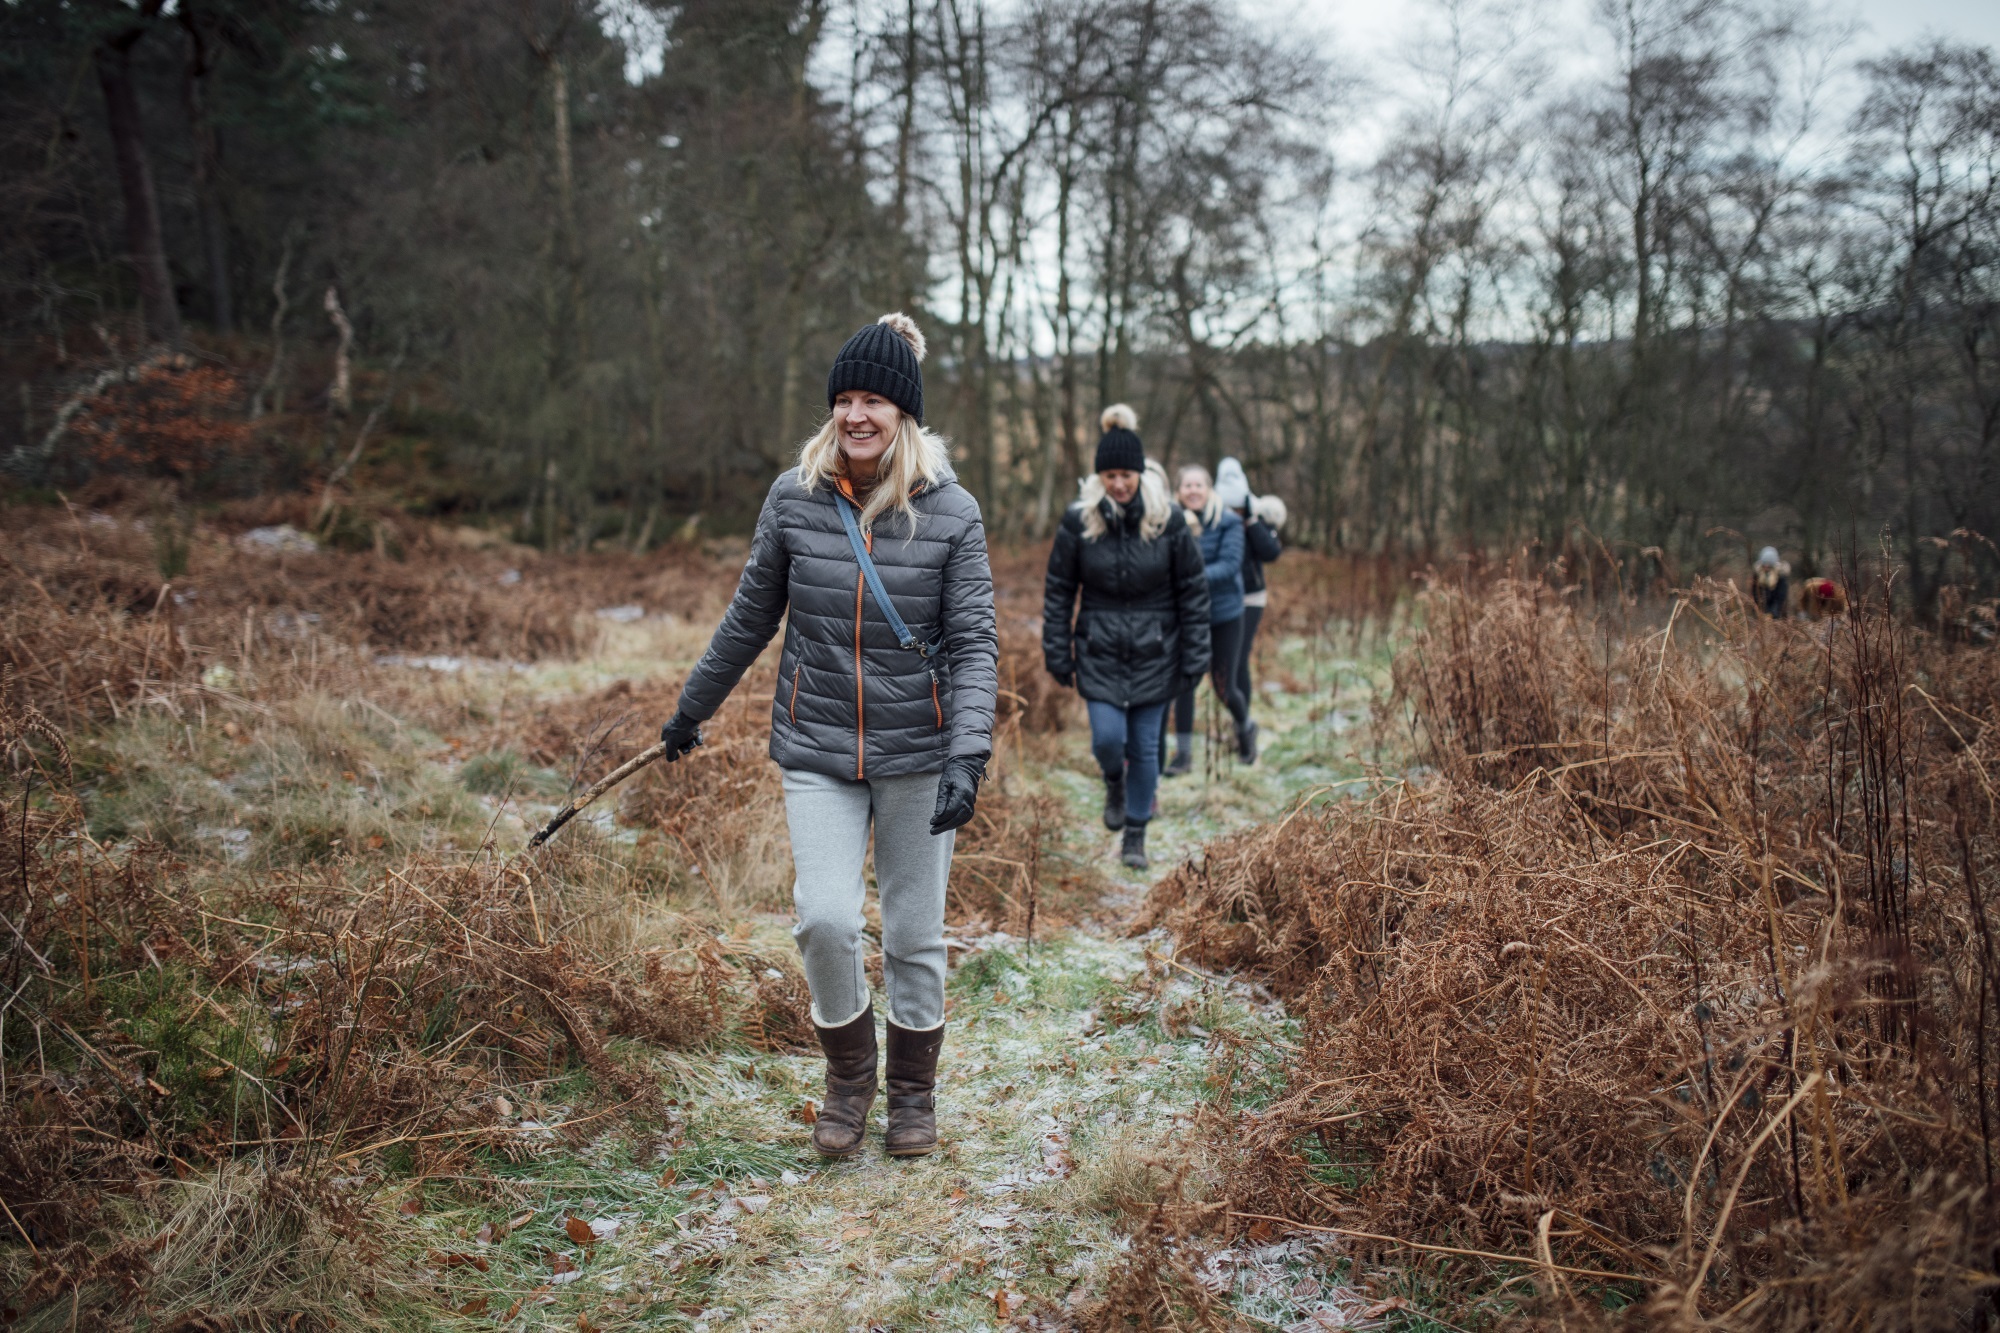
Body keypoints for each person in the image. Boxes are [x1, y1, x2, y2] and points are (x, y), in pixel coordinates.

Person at [655, 313, 998, 1161]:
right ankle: (850, 1080)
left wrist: (969, 753)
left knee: (914, 933)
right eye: (843, 398)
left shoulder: (952, 513)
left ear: (903, 414)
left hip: (921, 752)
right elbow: (749, 618)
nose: (855, 415)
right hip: (816, 747)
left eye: (872, 399)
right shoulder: (793, 498)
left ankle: (913, 1096)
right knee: (825, 918)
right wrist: (692, 708)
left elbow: (976, 642)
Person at [1042, 405, 1209, 871]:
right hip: (1099, 650)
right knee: (1108, 741)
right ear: (1100, 477)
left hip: (1159, 651)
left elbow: (1193, 592)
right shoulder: (1080, 521)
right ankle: (1113, 780)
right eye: (1110, 475)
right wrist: (1057, 649)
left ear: (1140, 475)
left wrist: (1196, 655)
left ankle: (1135, 833)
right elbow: (1059, 589)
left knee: (1146, 747)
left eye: (1126, 475)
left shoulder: (1168, 521)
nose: (1119, 483)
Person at [1190, 457, 1283, 773]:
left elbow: (1271, 552)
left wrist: (1251, 519)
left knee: (1237, 662)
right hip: (1218, 597)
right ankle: (1241, 722)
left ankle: (1243, 724)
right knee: (1222, 673)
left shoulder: (1252, 514)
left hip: (1249, 598)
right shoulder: (1210, 512)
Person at [1166, 464, 1255, 770]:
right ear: (1178, 492)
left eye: (1198, 485)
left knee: (1223, 687)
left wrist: (1188, 578)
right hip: (1187, 616)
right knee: (1184, 685)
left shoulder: (1228, 522)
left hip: (1225, 614)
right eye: (1186, 486)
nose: (1192, 491)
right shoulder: (1171, 522)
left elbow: (1230, 565)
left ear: (1209, 489)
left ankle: (1246, 729)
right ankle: (1184, 756)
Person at [1752, 546, 1789, 619]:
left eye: (1768, 565)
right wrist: (1761, 610)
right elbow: (1755, 594)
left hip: (1776, 612)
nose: (1766, 567)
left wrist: (1773, 613)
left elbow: (1781, 597)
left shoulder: (1781, 576)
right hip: (1761, 610)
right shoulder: (1757, 575)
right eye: (1764, 565)